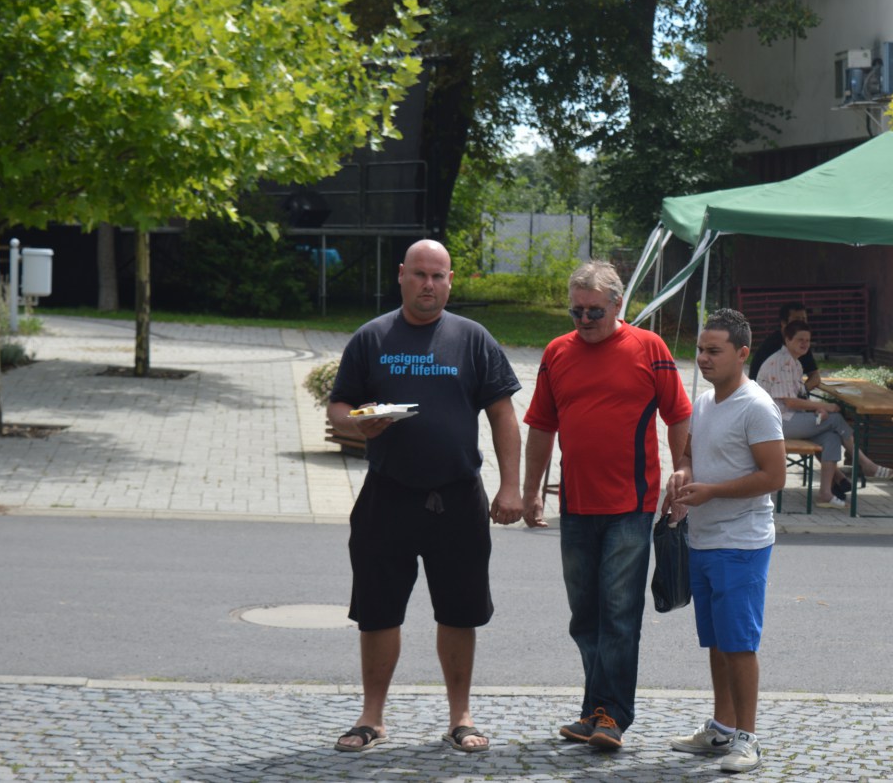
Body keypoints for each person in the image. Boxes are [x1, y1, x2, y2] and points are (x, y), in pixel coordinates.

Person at [327, 239, 523, 754]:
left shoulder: (472, 338)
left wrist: (510, 486)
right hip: (387, 493)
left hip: (457, 495)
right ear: (401, 275)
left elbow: (503, 415)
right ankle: (372, 717)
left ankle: (461, 716)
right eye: (419, 274)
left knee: (459, 610)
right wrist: (358, 424)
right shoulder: (372, 337)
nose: (428, 284)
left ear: (450, 281)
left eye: (438, 276)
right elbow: (339, 407)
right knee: (378, 610)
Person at [520, 260, 692, 751]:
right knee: (584, 616)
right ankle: (594, 709)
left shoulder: (649, 348)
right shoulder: (557, 352)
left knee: (618, 613)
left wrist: (683, 470)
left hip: (630, 505)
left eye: (594, 310)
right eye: (575, 311)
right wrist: (531, 490)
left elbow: (679, 415)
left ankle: (612, 714)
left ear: (618, 304)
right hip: (576, 505)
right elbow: (541, 426)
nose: (584, 320)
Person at [664, 308, 786, 774]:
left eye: (714, 351)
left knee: (739, 643)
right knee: (717, 640)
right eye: (700, 349)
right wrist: (683, 473)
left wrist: (713, 491)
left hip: (742, 542)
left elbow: (774, 476)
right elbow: (689, 455)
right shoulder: (704, 402)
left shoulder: (756, 406)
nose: (703, 358)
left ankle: (747, 739)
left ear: (742, 353)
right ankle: (721, 726)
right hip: (704, 538)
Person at [755, 319, 893, 508]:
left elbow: (796, 398)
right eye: (800, 340)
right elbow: (790, 402)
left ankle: (825, 493)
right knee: (836, 419)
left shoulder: (794, 363)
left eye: (807, 340)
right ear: (787, 340)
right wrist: (824, 406)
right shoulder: (782, 362)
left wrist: (817, 408)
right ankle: (866, 464)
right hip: (775, 423)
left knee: (831, 437)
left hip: (789, 419)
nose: (805, 344)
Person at [749, 301, 820, 391]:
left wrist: (803, 390)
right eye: (797, 320)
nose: (802, 324)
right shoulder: (775, 354)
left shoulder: (800, 347)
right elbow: (786, 395)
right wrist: (801, 393)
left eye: (804, 320)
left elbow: (815, 376)